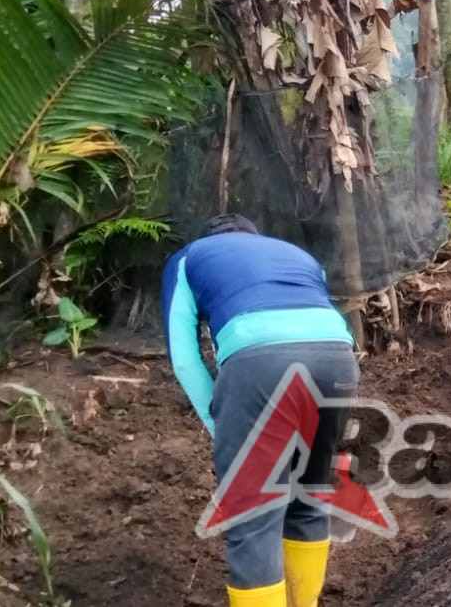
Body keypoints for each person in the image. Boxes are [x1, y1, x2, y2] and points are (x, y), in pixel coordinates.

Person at [162, 214, 359, 607]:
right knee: (307, 497)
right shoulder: (297, 255)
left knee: (253, 519)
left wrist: (220, 423)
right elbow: (326, 319)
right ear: (253, 237)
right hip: (337, 356)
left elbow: (184, 359)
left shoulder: (188, 258)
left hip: (260, 361)